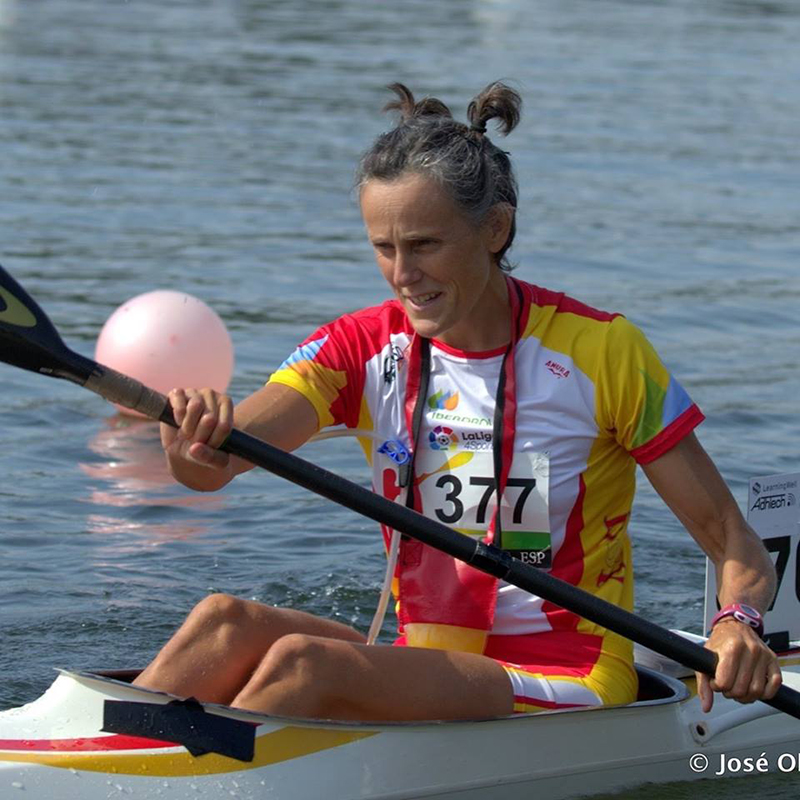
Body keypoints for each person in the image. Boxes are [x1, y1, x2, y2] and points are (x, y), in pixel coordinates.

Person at [133, 81, 781, 721]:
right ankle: (102, 757)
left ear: (494, 229)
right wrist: (193, 433)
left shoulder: (601, 353)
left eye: (424, 246)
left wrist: (737, 624)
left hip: (567, 669)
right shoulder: (360, 348)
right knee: (222, 623)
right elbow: (210, 467)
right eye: (384, 249)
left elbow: (730, 536)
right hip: (433, 661)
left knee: (305, 664)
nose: (402, 275)